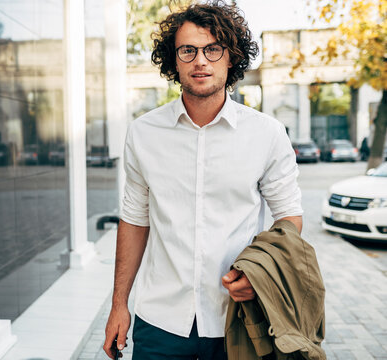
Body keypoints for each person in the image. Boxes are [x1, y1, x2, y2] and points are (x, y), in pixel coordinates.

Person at [103, 1, 304, 359]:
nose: (200, 61)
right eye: (188, 50)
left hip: (237, 317)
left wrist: (260, 275)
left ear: (231, 57)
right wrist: (119, 304)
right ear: (174, 60)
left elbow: (288, 217)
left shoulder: (267, 134)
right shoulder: (143, 133)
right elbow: (134, 219)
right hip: (159, 320)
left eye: (213, 49)